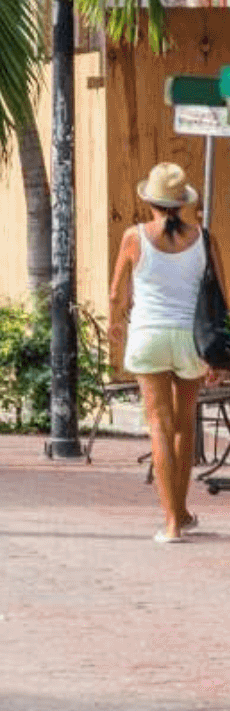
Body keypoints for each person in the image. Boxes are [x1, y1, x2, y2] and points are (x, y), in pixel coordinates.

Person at [109, 162, 215, 543]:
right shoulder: (204, 238)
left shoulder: (134, 237)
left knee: (159, 425)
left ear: (150, 201)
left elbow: (116, 294)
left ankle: (171, 522)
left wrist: (117, 327)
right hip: (191, 340)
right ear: (182, 204)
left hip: (149, 336)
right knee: (186, 425)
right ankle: (183, 511)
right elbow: (221, 297)